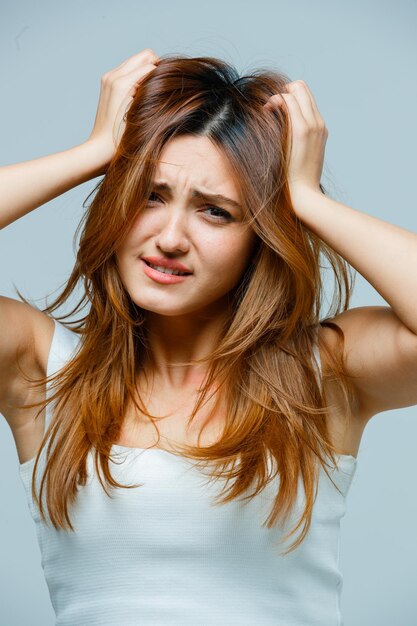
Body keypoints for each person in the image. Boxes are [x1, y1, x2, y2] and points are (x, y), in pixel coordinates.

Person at [1, 48, 417, 626]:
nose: (170, 237)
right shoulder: (41, 368)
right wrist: (91, 153)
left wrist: (307, 202)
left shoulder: (323, 374)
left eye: (215, 212)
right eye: (150, 194)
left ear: (261, 235)